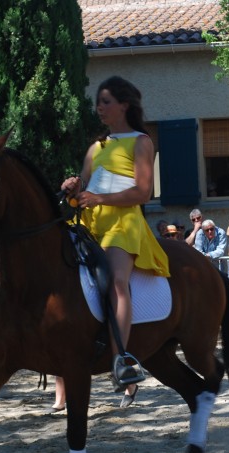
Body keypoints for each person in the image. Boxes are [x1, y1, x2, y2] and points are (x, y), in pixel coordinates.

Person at [61, 76, 169, 389]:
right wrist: (73, 187)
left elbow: (143, 192)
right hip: (89, 221)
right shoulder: (96, 147)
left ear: (124, 105)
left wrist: (99, 198)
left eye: (106, 101)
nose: (99, 107)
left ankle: (122, 358)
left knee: (117, 281)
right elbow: (83, 184)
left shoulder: (141, 141)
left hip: (124, 223)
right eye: (98, 102)